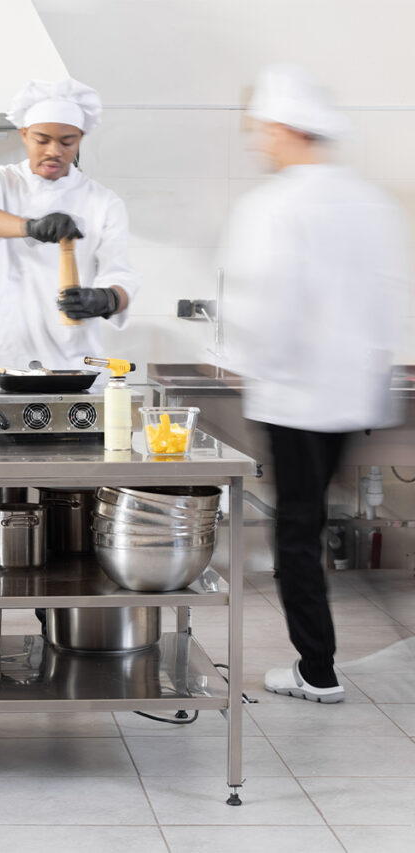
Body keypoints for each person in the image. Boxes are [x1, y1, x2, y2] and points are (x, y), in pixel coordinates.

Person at [222, 64, 409, 703]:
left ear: (285, 129)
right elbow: (389, 296)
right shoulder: (368, 199)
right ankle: (317, 661)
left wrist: (248, 362)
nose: (258, 143)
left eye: (262, 131)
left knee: (295, 531)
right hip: (350, 392)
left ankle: (317, 670)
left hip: (293, 392)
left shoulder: (275, 203)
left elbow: (264, 303)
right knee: (313, 522)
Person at [0, 77, 141, 390]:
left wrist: (105, 298)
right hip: (0, 363)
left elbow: (121, 276)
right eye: (42, 140)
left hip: (74, 368)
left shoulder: (104, 202)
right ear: (24, 135)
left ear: (80, 138)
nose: (54, 151)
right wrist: (30, 226)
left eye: (67, 141)